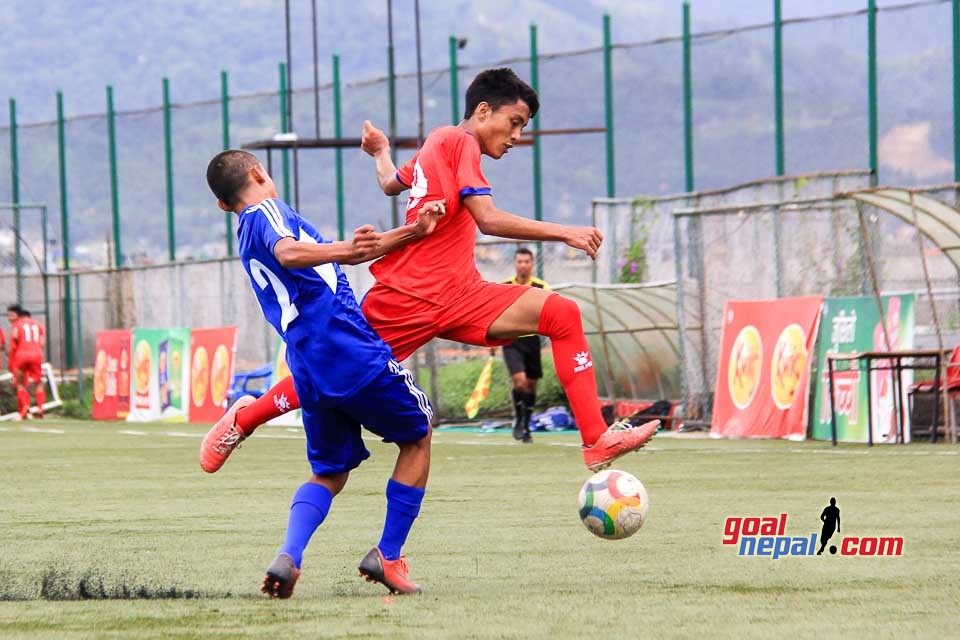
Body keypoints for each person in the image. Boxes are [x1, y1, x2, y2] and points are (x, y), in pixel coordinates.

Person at [202, 67, 658, 474]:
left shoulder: (436, 145)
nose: (517, 135)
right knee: (331, 373)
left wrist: (380, 150)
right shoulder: (458, 141)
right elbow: (488, 219)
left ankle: (596, 441)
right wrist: (565, 232)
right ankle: (243, 419)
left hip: (462, 294)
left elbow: (389, 183)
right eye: (514, 122)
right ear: (483, 111)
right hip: (409, 295)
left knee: (562, 314)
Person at [204, 149, 446, 597]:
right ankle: (388, 556)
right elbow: (290, 252)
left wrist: (413, 231)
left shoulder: (244, 229)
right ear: (258, 172)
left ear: (221, 205)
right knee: (418, 435)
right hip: (349, 351)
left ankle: (290, 556)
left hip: (309, 366)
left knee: (331, 473)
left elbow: (338, 254)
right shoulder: (265, 211)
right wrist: (346, 250)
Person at [500, 247, 550, 443]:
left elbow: (547, 311)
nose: (523, 265)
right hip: (511, 340)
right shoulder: (504, 287)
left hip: (532, 341)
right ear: (515, 264)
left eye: (526, 262)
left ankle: (527, 425)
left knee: (531, 385)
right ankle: (519, 420)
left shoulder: (541, 287)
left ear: (532, 264)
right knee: (519, 381)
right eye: (519, 262)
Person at [7, 305, 46, 420]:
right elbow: (42, 343)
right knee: (38, 382)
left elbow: (14, 339)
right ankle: (40, 408)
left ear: (19, 316)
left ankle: (25, 406)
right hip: (37, 354)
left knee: (19, 383)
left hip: (21, 355)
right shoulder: (38, 325)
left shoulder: (17, 325)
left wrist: (11, 355)